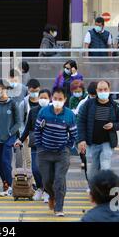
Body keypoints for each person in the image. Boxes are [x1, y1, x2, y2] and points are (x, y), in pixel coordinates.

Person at [33, 88, 77, 217]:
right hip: (44, 152)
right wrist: (40, 146)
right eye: (55, 99)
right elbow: (37, 130)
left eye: (60, 99)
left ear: (65, 100)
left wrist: (67, 148)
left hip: (61, 153)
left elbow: (74, 134)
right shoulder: (44, 112)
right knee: (46, 180)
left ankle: (59, 207)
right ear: (52, 98)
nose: (57, 101)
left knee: (59, 179)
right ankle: (51, 196)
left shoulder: (69, 114)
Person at [77, 80, 119, 181]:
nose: (103, 91)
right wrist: (81, 140)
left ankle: (105, 189)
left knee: (105, 164)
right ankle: (94, 189)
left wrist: (113, 125)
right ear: (96, 91)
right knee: (93, 170)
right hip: (93, 142)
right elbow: (81, 122)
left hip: (107, 142)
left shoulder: (115, 105)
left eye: (105, 89)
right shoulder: (88, 104)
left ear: (109, 90)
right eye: (100, 90)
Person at [15, 89, 52, 202]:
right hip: (36, 143)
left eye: (45, 98)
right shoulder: (34, 111)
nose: (43, 100)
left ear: (50, 99)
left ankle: (47, 191)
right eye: (41, 97)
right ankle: (40, 188)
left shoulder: (53, 111)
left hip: (49, 145)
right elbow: (28, 128)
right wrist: (20, 140)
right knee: (35, 169)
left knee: (46, 169)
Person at [0, 79, 21, 197]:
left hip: (9, 138)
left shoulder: (13, 104)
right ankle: (5, 185)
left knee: (5, 161)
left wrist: (10, 133)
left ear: (5, 89)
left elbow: (18, 123)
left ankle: (11, 185)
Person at [17, 79, 41, 170]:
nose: (34, 93)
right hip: (28, 135)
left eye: (36, 91)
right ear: (28, 90)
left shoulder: (43, 102)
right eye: (32, 91)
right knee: (29, 159)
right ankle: (31, 181)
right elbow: (20, 121)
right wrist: (23, 134)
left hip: (42, 135)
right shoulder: (23, 103)